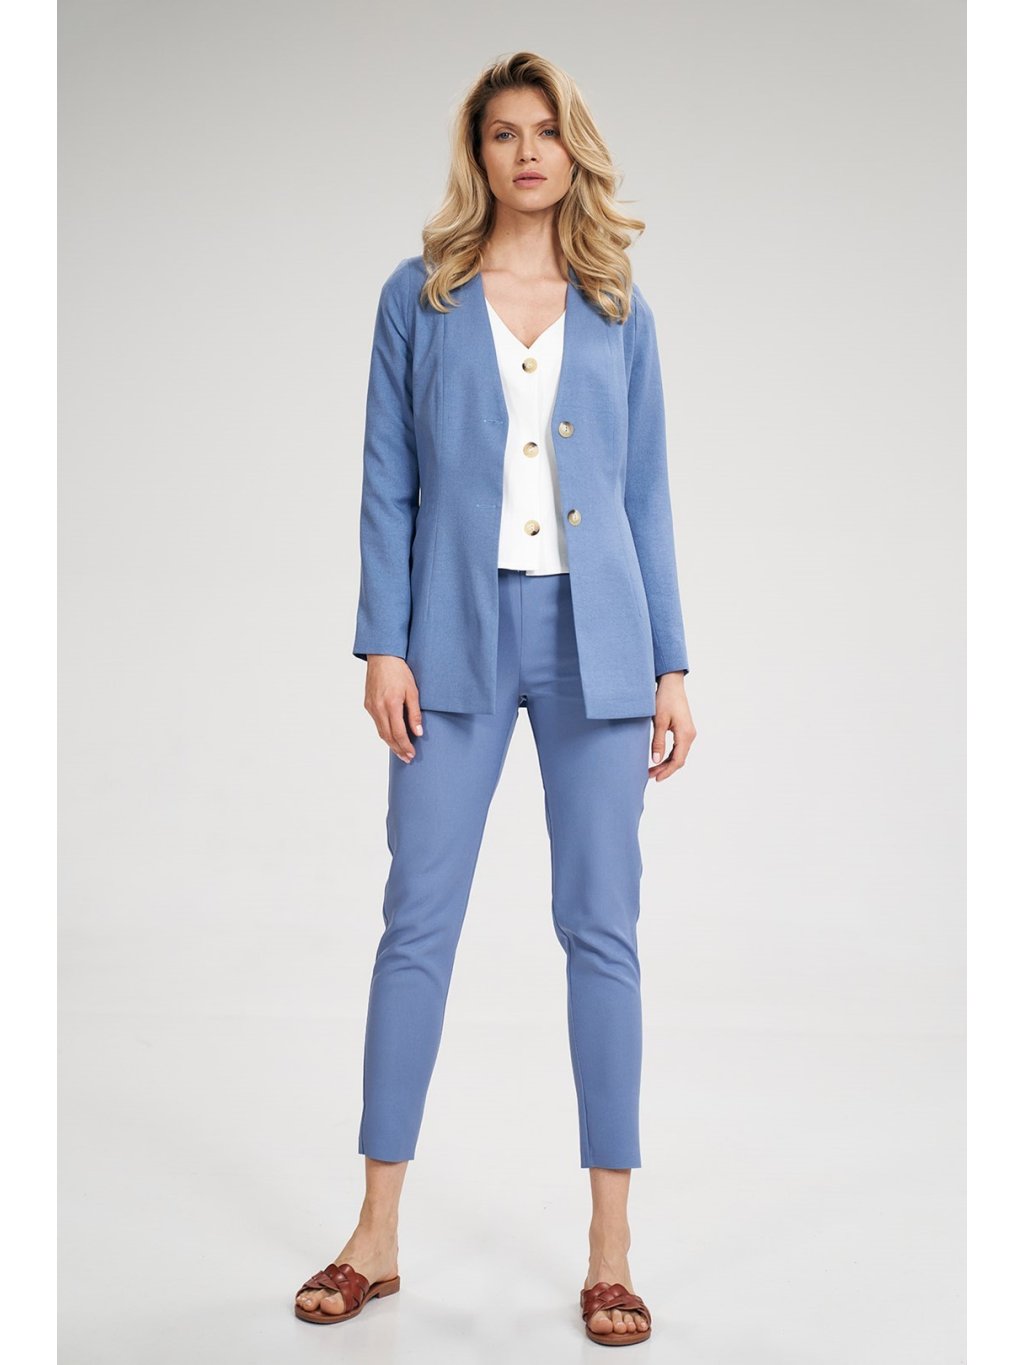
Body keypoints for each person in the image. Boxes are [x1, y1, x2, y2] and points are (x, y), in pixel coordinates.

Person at [293, 51, 697, 1347]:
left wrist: (672, 663)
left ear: (574, 151)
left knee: (602, 930)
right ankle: (374, 1234)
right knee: (416, 924)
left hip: (600, 647)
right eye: (504, 134)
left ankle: (611, 1249)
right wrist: (383, 642)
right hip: (452, 639)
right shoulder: (418, 297)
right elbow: (387, 481)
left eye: (546, 132)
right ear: (477, 154)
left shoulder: (619, 309)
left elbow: (644, 496)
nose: (527, 153)